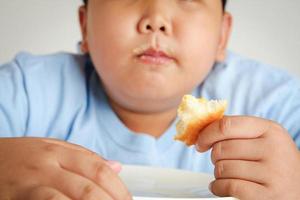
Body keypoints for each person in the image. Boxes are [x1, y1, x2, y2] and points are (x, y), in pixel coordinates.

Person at [0, 0, 299, 199]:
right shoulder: (25, 89)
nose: (156, 20)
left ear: (222, 35)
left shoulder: (275, 104)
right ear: (85, 25)